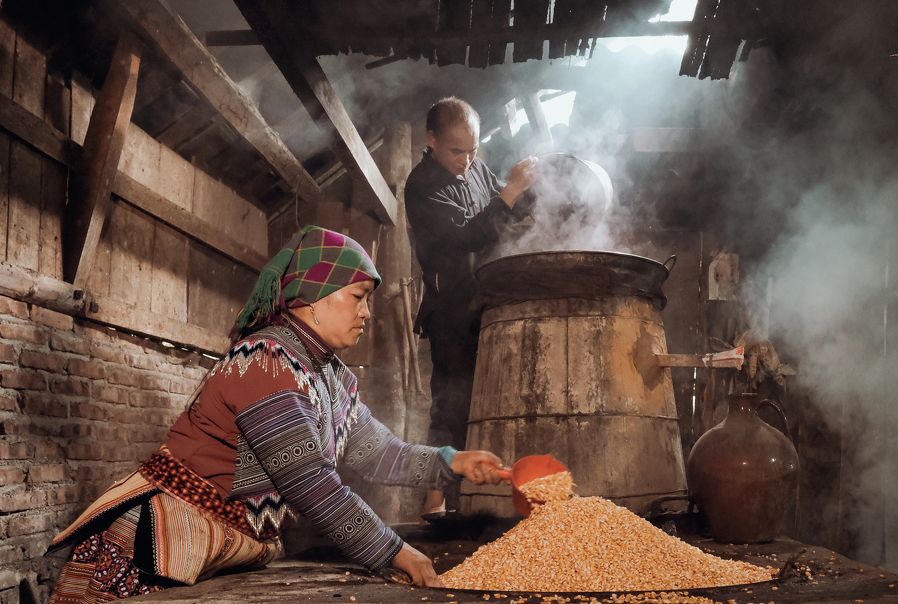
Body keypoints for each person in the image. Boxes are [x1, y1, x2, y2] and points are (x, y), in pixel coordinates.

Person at [47, 225, 508, 602]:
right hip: (160, 545)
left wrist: (453, 461)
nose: (366, 312)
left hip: (221, 549)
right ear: (312, 294)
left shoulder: (330, 375)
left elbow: (379, 453)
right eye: (358, 296)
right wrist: (394, 551)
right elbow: (308, 480)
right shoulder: (264, 360)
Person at [404, 97, 536, 514]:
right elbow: (469, 235)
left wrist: (530, 188)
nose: (466, 160)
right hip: (451, 310)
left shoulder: (477, 169)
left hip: (487, 304)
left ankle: (481, 496)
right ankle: (433, 503)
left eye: (473, 150)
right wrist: (512, 192)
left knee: (489, 401)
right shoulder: (422, 185)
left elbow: (505, 211)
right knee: (451, 406)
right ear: (431, 140)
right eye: (456, 151)